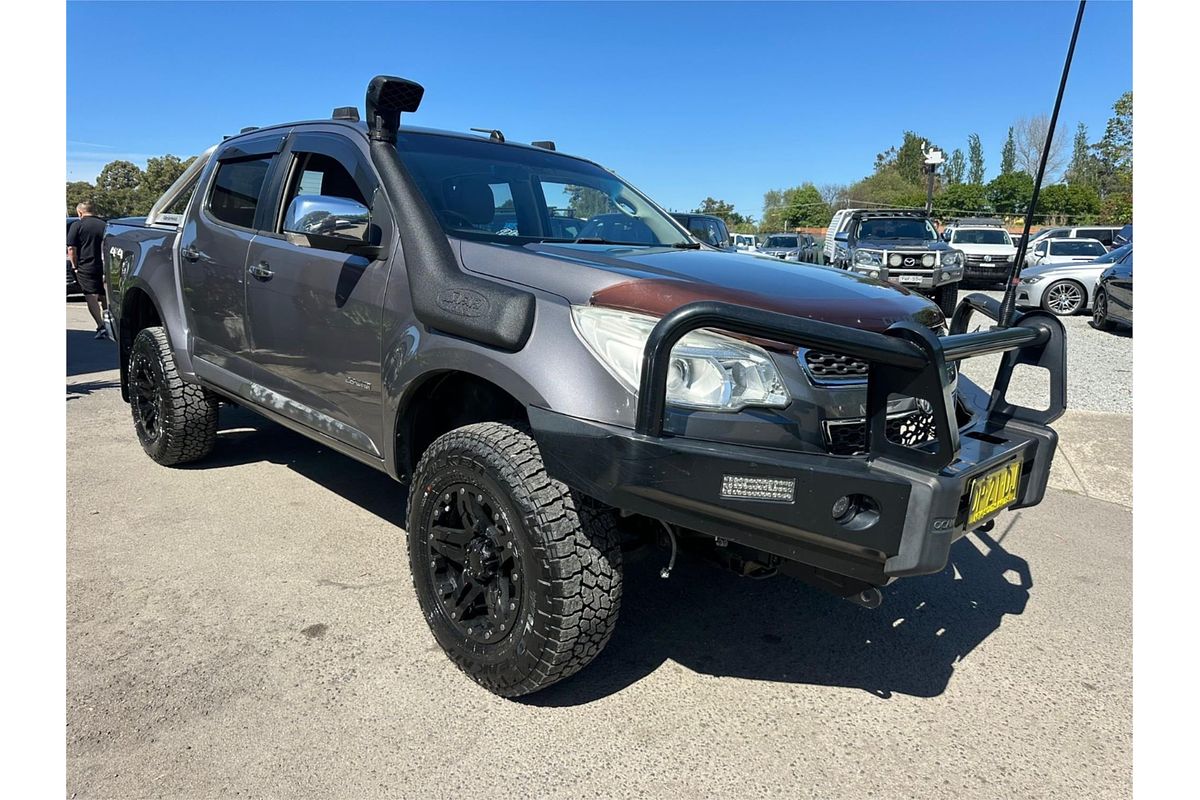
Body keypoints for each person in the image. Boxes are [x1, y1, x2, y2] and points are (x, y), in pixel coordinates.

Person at [67, 202, 110, 340]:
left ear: (80, 212)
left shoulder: (77, 225)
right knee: (105, 295)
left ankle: (101, 326)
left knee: (91, 295)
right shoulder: (105, 225)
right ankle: (111, 323)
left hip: (87, 265)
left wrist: (75, 266)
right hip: (105, 264)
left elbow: (71, 249)